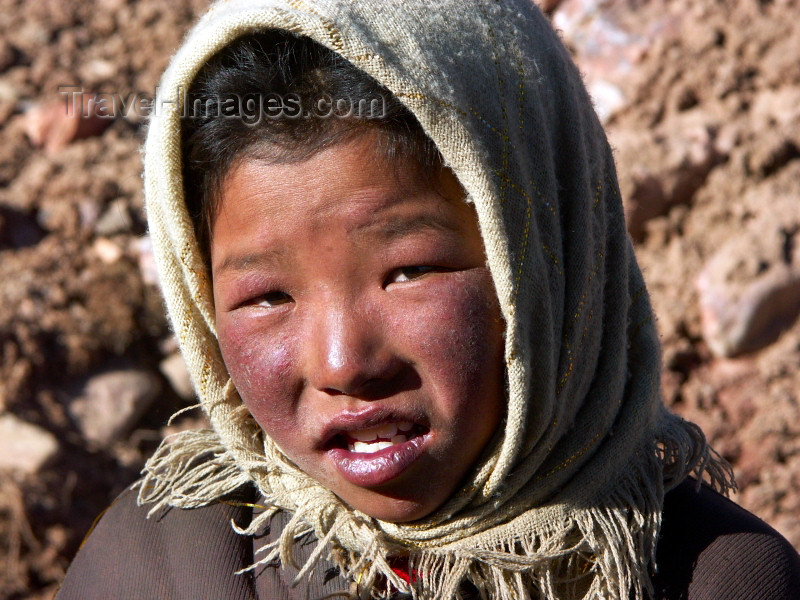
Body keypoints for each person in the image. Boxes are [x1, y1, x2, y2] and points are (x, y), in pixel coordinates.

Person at [56, 1, 800, 599]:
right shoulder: (161, 568)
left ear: (547, 256)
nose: (343, 362)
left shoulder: (714, 578)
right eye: (266, 296)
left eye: (407, 271)